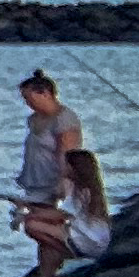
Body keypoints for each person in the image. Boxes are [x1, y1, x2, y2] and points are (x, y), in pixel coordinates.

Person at [16, 141, 110, 277]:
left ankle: (66, 256)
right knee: (46, 244)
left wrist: (27, 214)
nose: (62, 166)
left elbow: (60, 214)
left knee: (32, 225)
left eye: (66, 164)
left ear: (74, 168)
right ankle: (47, 276)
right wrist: (30, 207)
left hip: (88, 241)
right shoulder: (91, 187)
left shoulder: (77, 189)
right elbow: (63, 213)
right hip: (96, 239)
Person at [12, 66, 84, 219]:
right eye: (25, 99)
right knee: (31, 221)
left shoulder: (64, 119)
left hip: (54, 183)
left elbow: (67, 153)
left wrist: (63, 181)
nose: (27, 103)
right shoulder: (33, 119)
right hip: (34, 182)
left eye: (29, 98)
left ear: (45, 94)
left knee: (39, 223)